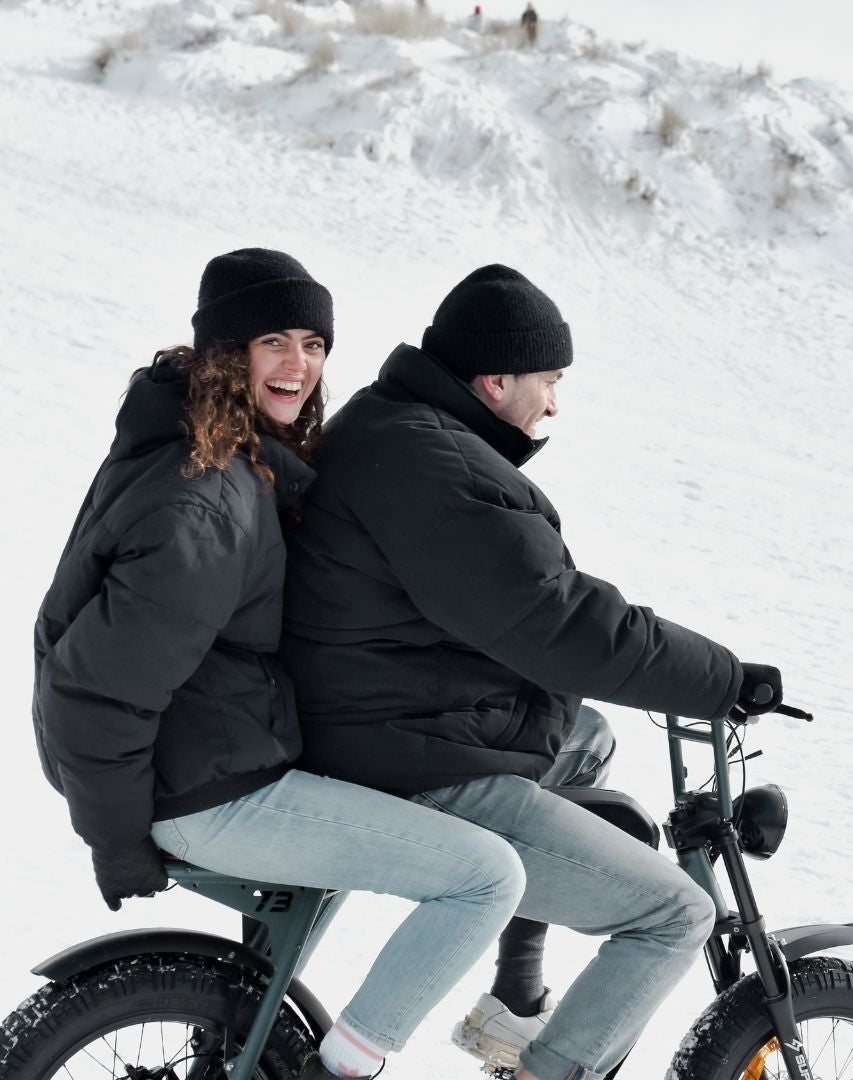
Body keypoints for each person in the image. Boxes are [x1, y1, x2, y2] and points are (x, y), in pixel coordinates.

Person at [31, 249, 530, 1080]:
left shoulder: (212, 450)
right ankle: (337, 1071)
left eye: (315, 343)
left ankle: (236, 1048)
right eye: (274, 342)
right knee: (485, 877)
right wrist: (116, 837)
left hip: (207, 756)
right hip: (195, 787)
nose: (300, 365)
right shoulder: (206, 496)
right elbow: (95, 687)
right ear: (226, 354)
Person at [281, 264, 785, 1080]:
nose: (553, 405)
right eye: (549, 382)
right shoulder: (442, 470)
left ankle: (515, 1000)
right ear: (494, 379)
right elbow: (562, 625)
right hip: (406, 760)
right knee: (674, 913)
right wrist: (726, 679)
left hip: (370, 712)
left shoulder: (395, 425)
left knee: (584, 738)